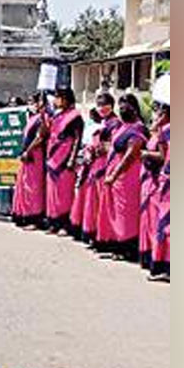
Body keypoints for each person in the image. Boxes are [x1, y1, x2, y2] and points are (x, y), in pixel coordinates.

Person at [96, 94, 148, 261]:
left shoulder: (138, 129)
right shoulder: (122, 126)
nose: (123, 108)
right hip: (115, 174)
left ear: (134, 108)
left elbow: (130, 155)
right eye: (121, 105)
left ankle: (127, 247)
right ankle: (115, 243)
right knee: (114, 210)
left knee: (126, 212)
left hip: (127, 175)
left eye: (126, 105)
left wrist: (114, 174)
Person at [81, 92, 120, 245]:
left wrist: (104, 148)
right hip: (95, 165)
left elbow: (115, 145)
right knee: (94, 201)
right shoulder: (100, 123)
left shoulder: (116, 123)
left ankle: (104, 237)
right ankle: (94, 233)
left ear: (112, 105)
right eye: (99, 105)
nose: (102, 108)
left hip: (106, 165)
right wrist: (89, 150)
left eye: (105, 104)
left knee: (104, 202)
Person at [45, 87, 84, 234]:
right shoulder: (56, 116)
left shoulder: (75, 117)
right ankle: (53, 223)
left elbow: (77, 139)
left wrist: (72, 159)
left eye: (58, 97)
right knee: (52, 193)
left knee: (64, 193)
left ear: (66, 99)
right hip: (52, 158)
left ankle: (65, 225)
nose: (56, 100)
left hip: (65, 158)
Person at [139, 102, 170, 270]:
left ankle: (162, 263)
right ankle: (151, 255)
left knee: (163, 223)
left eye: (159, 112)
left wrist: (146, 154)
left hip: (162, 181)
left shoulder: (166, 131)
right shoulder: (159, 131)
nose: (157, 115)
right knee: (153, 220)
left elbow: (164, 157)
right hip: (153, 180)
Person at [12, 91, 49, 229]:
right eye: (29, 101)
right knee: (24, 185)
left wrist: (28, 151)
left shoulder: (42, 119)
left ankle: (35, 218)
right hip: (27, 155)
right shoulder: (32, 117)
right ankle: (24, 214)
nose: (30, 104)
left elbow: (40, 137)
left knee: (33, 187)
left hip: (35, 155)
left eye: (33, 101)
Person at [69, 107, 102, 240]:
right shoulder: (93, 128)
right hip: (88, 162)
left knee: (90, 198)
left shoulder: (101, 128)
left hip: (95, 164)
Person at [148, 107, 171, 281]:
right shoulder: (164, 131)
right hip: (167, 181)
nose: (158, 116)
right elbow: (163, 157)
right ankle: (163, 266)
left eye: (162, 113)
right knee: (163, 223)